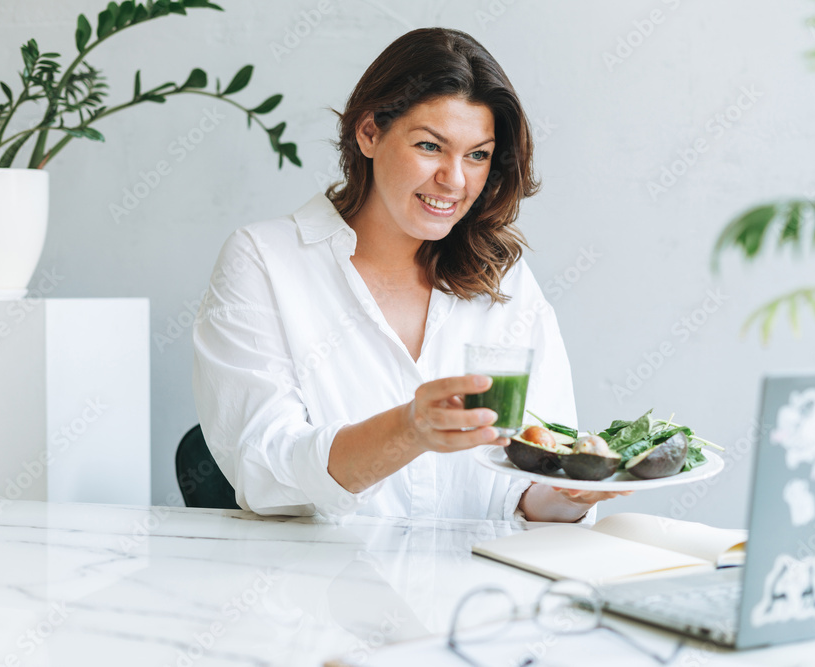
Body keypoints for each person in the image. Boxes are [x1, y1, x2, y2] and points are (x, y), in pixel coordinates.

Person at [192, 27, 628, 523]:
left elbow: (530, 477)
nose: (455, 179)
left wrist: (571, 493)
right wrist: (409, 429)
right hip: (320, 590)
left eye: (477, 155)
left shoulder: (502, 279)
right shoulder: (265, 261)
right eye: (429, 146)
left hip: (475, 590)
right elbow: (265, 470)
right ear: (370, 132)